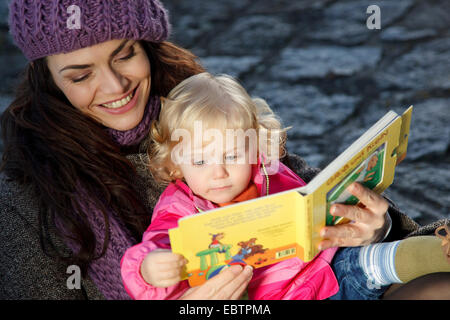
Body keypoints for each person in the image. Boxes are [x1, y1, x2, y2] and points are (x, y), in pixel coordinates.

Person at [1, 0, 448, 300]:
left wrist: (374, 225)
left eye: (125, 54)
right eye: (80, 75)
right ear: (47, 78)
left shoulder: (202, 107)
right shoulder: (24, 199)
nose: (116, 86)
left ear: (147, 43)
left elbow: (309, 196)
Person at [120, 72, 450, 300]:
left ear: (255, 148)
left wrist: (351, 215)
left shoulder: (270, 175)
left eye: (232, 155)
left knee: (399, 258)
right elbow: (148, 253)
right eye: (200, 161)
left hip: (334, 271)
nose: (219, 172)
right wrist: (149, 269)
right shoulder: (178, 206)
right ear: (176, 163)